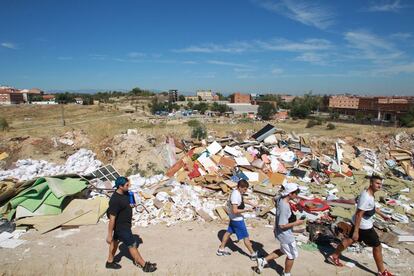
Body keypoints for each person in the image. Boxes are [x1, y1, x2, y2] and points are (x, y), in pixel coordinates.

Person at [328, 175, 393, 276]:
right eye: (377, 183)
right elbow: (359, 214)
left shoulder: (368, 193)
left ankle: (334, 256)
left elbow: (371, 208)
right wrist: (356, 231)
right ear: (371, 183)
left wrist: (383, 215)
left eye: (380, 184)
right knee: (377, 246)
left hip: (359, 224)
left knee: (351, 239)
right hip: (364, 226)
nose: (379, 186)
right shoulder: (366, 197)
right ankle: (382, 272)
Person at [106, 176, 157, 273]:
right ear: (120, 186)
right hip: (121, 227)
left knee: (115, 242)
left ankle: (109, 261)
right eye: (126, 185)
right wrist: (109, 235)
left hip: (126, 224)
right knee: (132, 244)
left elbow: (128, 204)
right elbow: (112, 219)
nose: (129, 186)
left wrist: (131, 205)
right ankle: (144, 265)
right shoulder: (115, 200)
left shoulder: (126, 194)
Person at [256, 182, 304, 276]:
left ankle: (263, 260)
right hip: (285, 234)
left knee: (283, 251)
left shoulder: (280, 199)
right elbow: (282, 225)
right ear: (290, 194)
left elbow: (275, 198)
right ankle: (286, 274)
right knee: (292, 255)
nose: (297, 195)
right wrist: (297, 223)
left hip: (280, 232)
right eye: (296, 193)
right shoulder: (284, 207)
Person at [217, 179, 259, 260]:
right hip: (237, 219)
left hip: (233, 218)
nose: (245, 190)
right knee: (246, 237)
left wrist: (252, 203)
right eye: (245, 189)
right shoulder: (235, 196)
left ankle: (221, 249)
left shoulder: (237, 192)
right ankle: (253, 254)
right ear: (240, 187)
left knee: (228, 233)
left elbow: (243, 199)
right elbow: (235, 210)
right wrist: (247, 210)